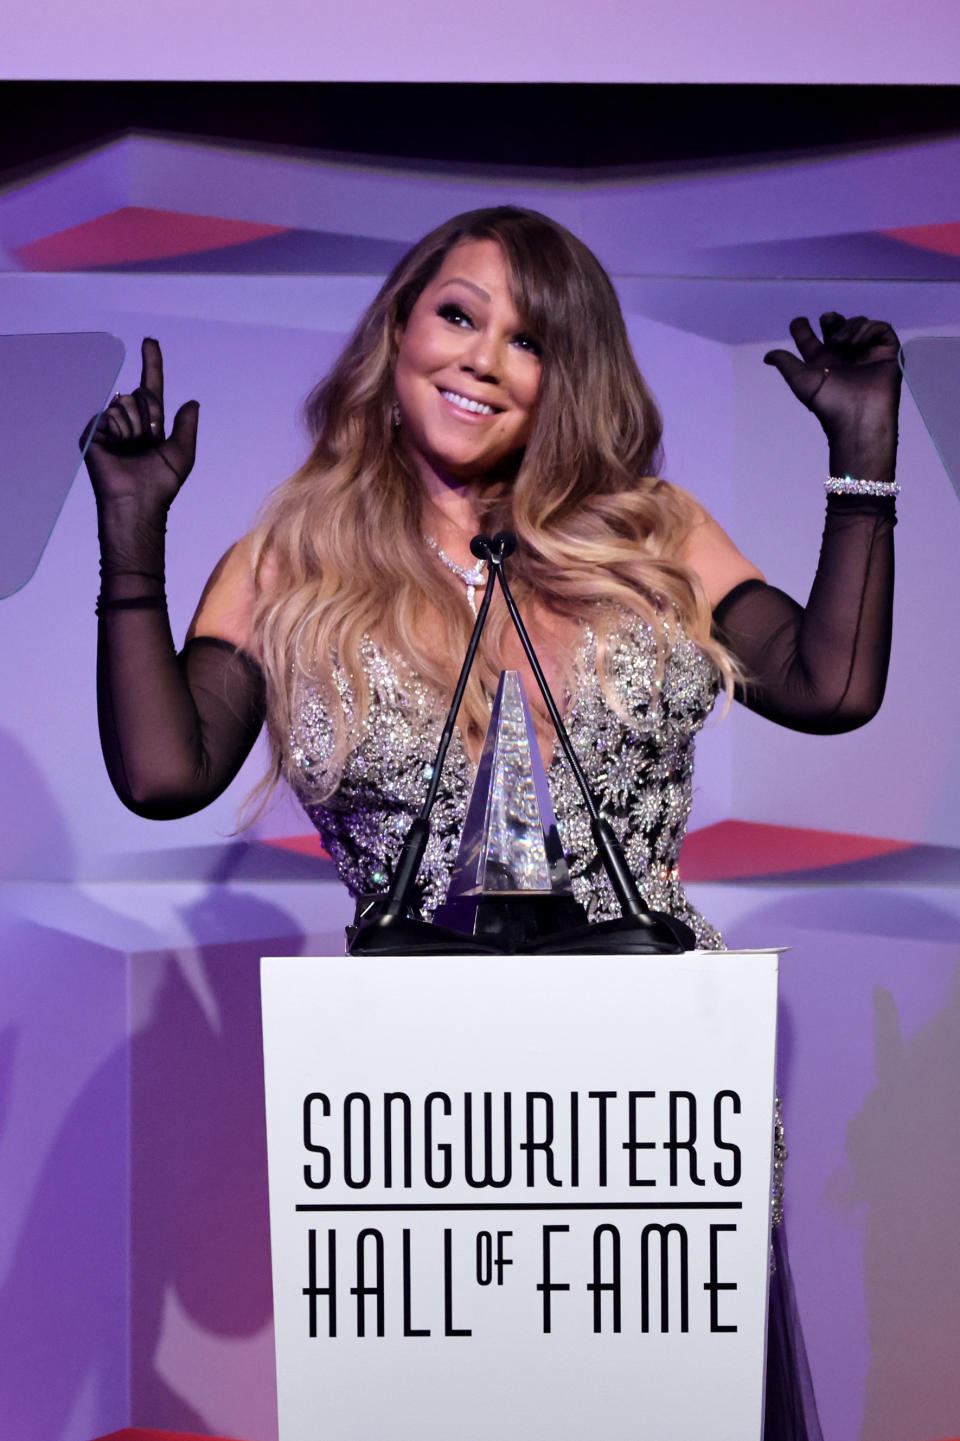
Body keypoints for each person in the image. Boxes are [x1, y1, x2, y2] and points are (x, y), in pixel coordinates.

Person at [83, 205, 900, 1440]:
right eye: (458, 314)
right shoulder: (289, 559)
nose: (480, 357)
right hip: (422, 1128)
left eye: (526, 341)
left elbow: (827, 684)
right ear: (399, 328)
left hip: (647, 1108)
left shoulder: (650, 529)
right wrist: (132, 541)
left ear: (563, 378)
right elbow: (165, 771)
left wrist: (863, 461)